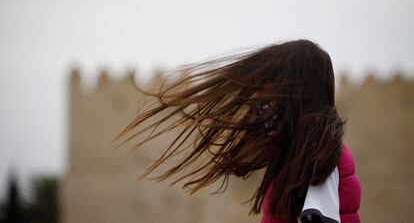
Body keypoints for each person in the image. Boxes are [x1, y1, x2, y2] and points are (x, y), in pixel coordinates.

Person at [111, 39, 361, 222]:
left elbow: (320, 218)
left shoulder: (321, 158)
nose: (266, 97)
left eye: (275, 86)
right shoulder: (296, 154)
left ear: (298, 94)